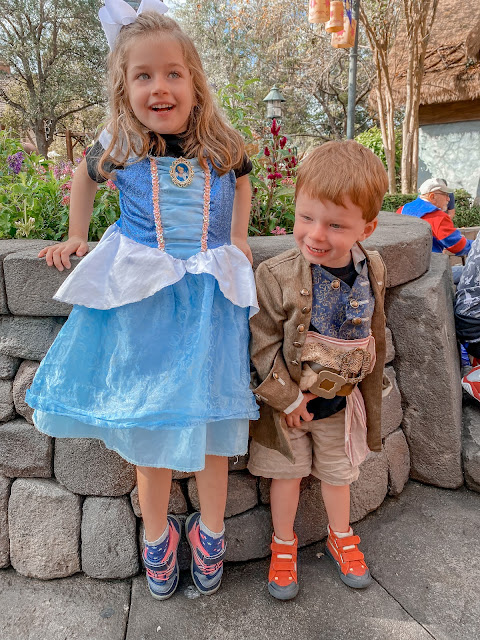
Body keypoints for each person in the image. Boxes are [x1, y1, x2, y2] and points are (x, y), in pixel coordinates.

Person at [26, 0, 259, 601]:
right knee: (149, 426)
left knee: (211, 426)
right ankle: (158, 536)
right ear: (123, 87)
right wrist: (76, 234)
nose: (160, 87)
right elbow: (84, 175)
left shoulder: (219, 142)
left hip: (208, 305)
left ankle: (209, 532)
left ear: (194, 80)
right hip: (145, 308)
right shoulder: (122, 144)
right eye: (143, 76)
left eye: (173, 73)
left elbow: (243, 177)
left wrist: (237, 237)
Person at [247, 140, 389, 600]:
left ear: (367, 227)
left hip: (339, 404)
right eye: (305, 218)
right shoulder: (276, 275)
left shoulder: (373, 268)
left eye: (335, 225)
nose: (316, 235)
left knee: (338, 475)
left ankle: (340, 534)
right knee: (286, 475)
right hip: (287, 408)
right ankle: (283, 543)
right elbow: (262, 343)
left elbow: (374, 329)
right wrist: (288, 399)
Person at [397, 178, 470, 257]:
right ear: (432, 196)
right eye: (445, 195)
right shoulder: (438, 217)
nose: (448, 199)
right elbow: (459, 246)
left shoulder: (401, 210)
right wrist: (476, 245)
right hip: (428, 262)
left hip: (401, 260)